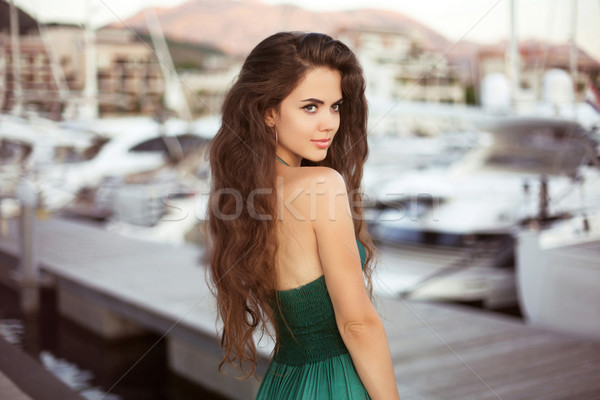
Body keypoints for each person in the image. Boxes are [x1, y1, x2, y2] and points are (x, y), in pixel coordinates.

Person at [206, 31, 399, 400]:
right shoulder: (321, 185)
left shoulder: (248, 199)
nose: (328, 123)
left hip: (283, 383)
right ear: (268, 112)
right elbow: (357, 323)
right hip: (334, 385)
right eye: (310, 107)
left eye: (335, 106)